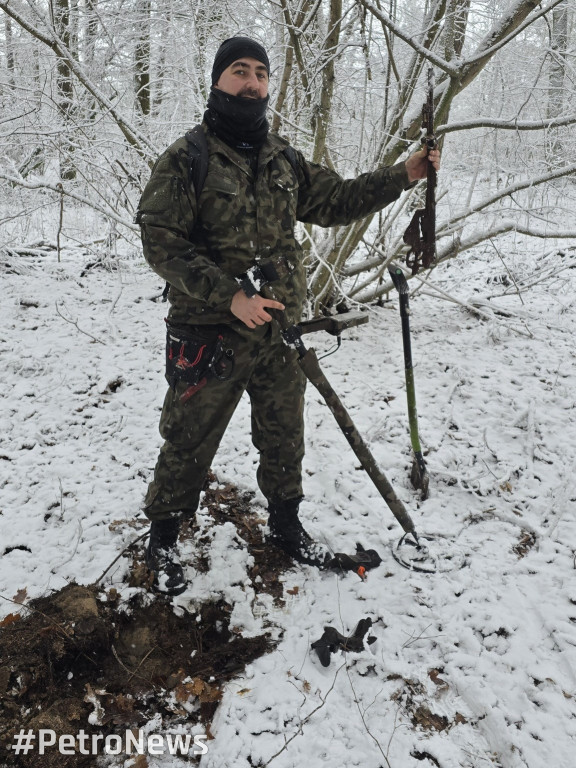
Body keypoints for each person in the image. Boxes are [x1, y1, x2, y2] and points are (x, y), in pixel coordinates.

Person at [136, 36, 441, 595]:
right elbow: (162, 243)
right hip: (210, 334)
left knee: (284, 435)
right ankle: (162, 537)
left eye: (260, 73)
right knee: (187, 438)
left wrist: (405, 174)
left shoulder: (283, 158)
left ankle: (285, 526)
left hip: (278, 333)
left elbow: (338, 202)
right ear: (217, 81)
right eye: (238, 71)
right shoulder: (187, 158)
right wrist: (230, 296)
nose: (251, 82)